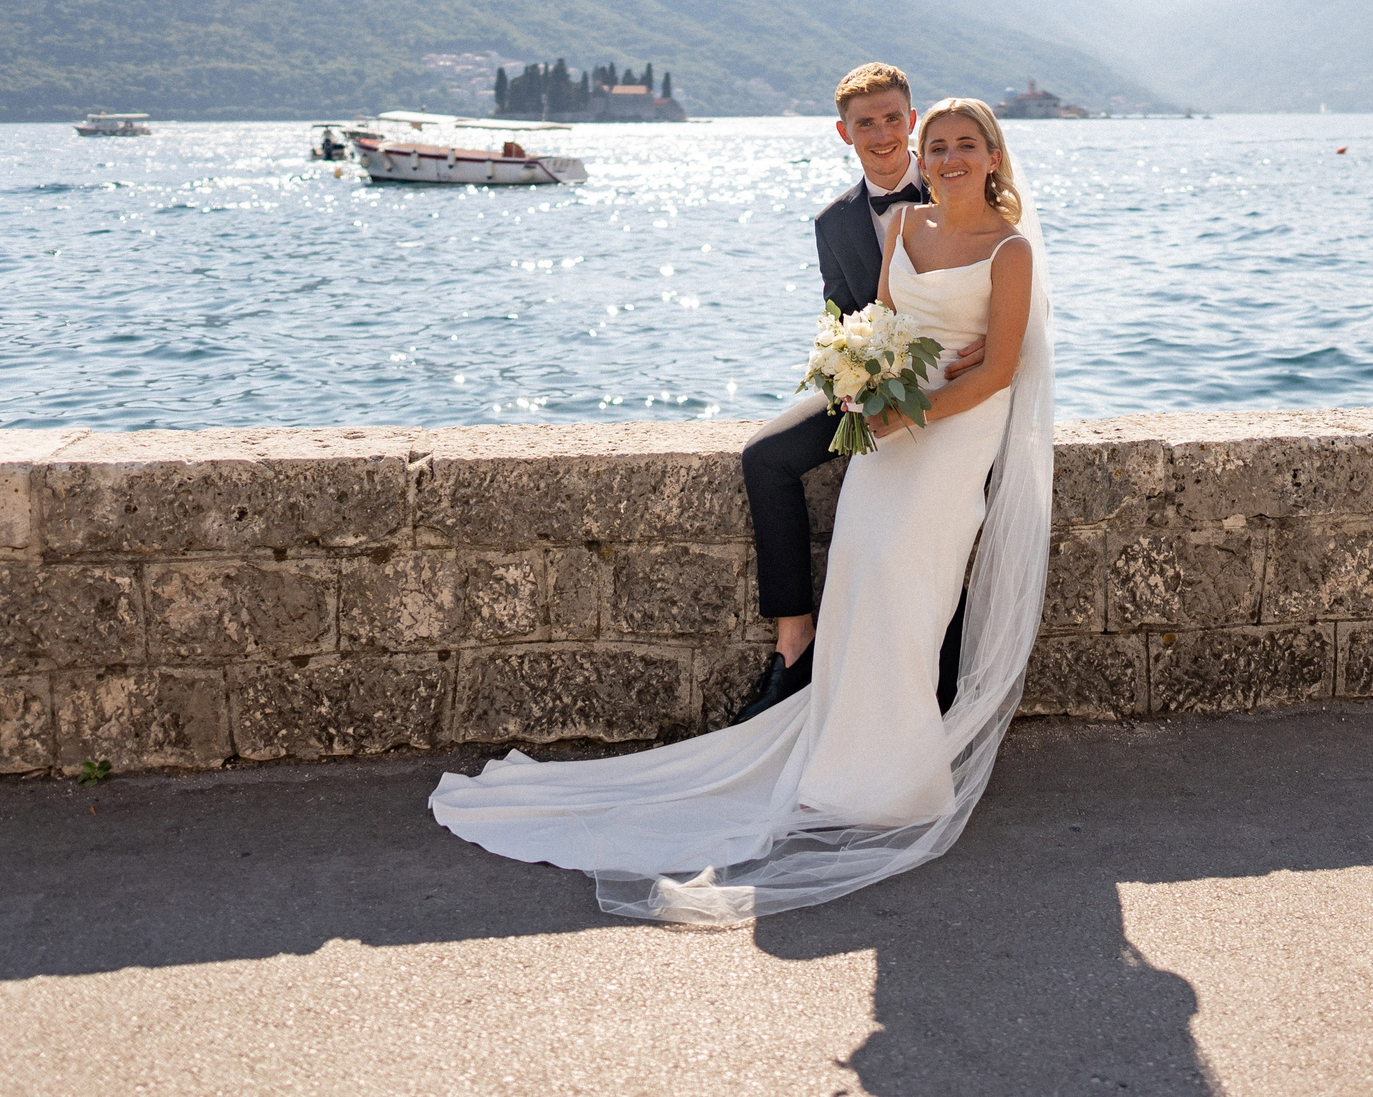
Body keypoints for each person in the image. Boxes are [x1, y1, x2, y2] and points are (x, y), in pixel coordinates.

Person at [426, 97, 1055, 924]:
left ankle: (898, 776)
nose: (946, 157)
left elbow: (999, 372)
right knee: (861, 580)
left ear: (993, 156)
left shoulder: (1009, 251)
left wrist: (912, 410)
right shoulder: (902, 232)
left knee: (913, 591)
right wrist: (862, 384)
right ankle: (838, 761)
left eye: (964, 145)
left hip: (950, 438)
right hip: (885, 430)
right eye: (937, 145)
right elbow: (876, 329)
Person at [734, 63, 983, 725]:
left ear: (912, 120)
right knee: (765, 457)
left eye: (892, 118)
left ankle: (933, 693)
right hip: (872, 389)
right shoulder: (832, 222)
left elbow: (1006, 277)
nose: (880, 133)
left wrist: (986, 348)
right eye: (864, 123)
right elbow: (841, 317)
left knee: (912, 512)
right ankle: (796, 641)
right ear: (843, 132)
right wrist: (852, 382)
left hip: (956, 388)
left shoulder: (956, 182)